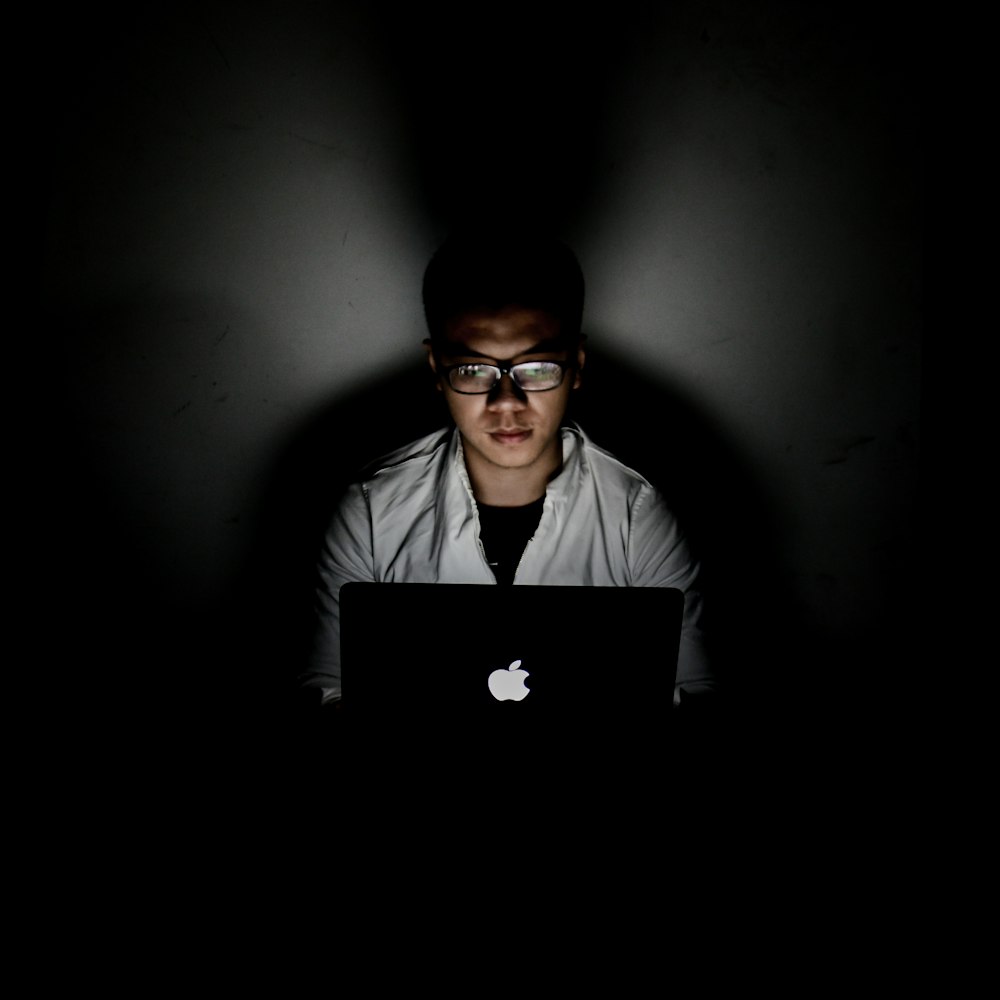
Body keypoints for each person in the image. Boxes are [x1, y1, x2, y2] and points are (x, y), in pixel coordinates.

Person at [301, 230, 715, 709]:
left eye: (536, 367)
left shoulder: (637, 514)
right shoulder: (371, 510)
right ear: (437, 368)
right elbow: (329, 689)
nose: (506, 404)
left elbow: (691, 693)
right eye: (474, 370)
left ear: (576, 365)